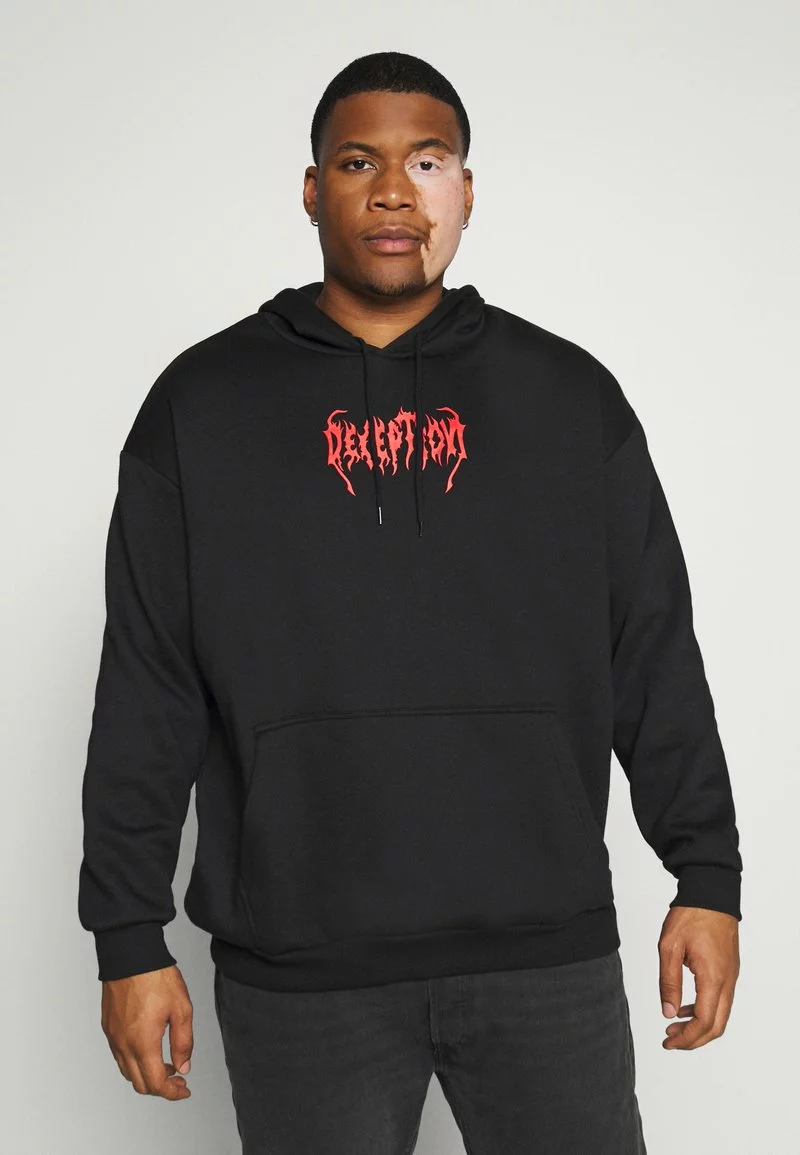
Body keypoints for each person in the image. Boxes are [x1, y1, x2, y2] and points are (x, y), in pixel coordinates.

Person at [78, 50, 742, 1154]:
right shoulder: (200, 408)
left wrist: (706, 873)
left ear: (466, 190)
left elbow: (653, 654)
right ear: (311, 190)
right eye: (358, 163)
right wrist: (126, 936)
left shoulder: (569, 400)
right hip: (301, 970)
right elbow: (148, 684)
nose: (394, 192)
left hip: (544, 954)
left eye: (427, 162)